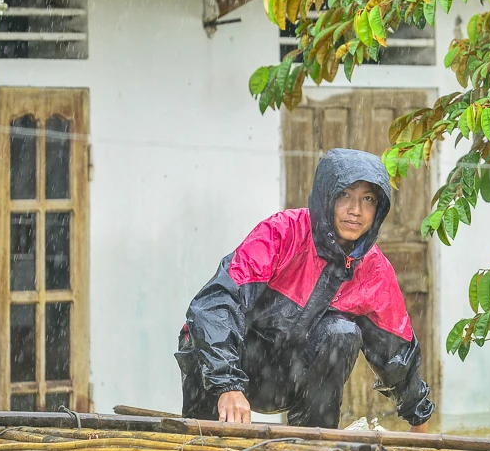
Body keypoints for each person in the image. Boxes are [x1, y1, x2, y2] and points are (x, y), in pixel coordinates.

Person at [175, 148, 434, 432]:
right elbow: (215, 306)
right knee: (206, 445)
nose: (355, 210)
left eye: (368, 199)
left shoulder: (374, 269)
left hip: (286, 377)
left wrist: (418, 419)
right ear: (326, 196)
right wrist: (227, 384)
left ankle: (313, 446)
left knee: (342, 334)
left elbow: (396, 350)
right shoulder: (281, 233)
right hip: (227, 365)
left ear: (379, 209)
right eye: (345, 195)